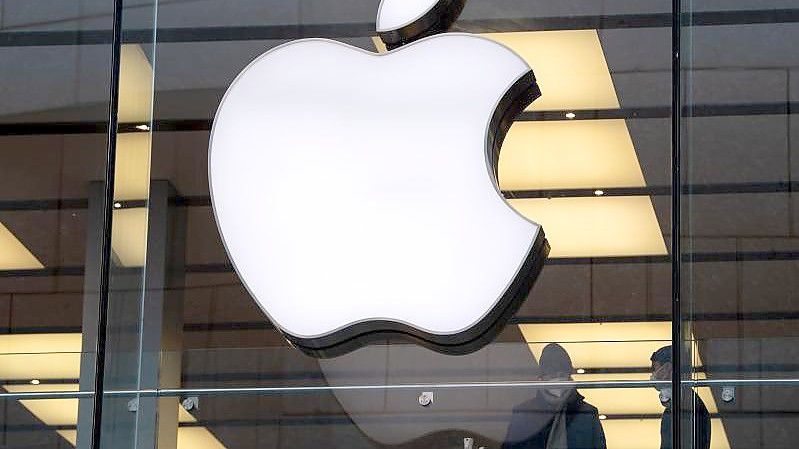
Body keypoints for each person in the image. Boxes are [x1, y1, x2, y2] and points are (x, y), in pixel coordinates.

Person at [502, 343, 607, 449]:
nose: (558, 380)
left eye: (562, 375)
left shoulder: (587, 413)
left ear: (569, 376)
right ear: (542, 378)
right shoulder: (524, 414)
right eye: (552, 375)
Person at [650, 346, 711, 449]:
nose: (654, 375)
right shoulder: (685, 404)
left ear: (668, 369)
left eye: (656, 369)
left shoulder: (687, 408)